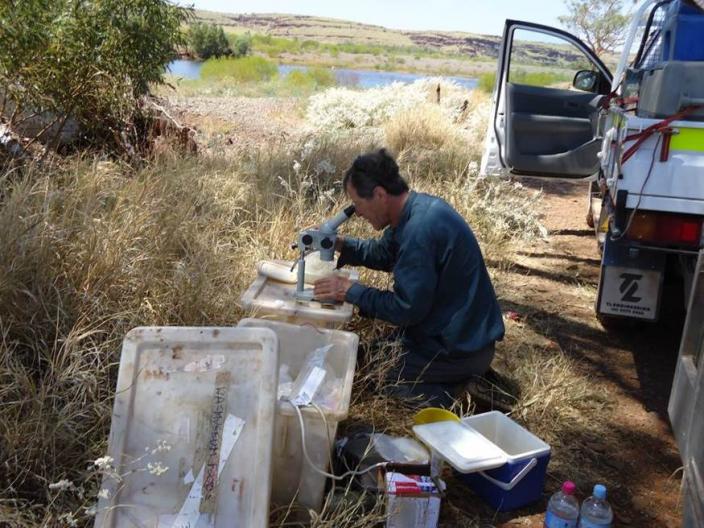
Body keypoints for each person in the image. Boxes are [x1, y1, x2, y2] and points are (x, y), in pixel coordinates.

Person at [314, 149, 505, 407]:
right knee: (359, 356)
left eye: (358, 204)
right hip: (456, 336)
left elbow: (406, 309)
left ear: (380, 194)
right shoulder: (417, 210)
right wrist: (341, 245)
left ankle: (460, 398)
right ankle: (459, 379)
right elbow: (384, 253)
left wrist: (350, 291)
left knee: (367, 374)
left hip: (457, 349)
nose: (357, 213)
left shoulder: (419, 232)